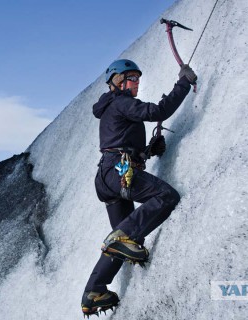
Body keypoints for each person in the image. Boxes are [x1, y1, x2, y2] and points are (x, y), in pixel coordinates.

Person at [81, 59, 197, 316]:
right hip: (117, 171)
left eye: (137, 78)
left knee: (126, 241)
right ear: (118, 82)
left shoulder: (112, 106)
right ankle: (117, 246)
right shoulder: (121, 101)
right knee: (165, 197)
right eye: (132, 78)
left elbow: (120, 142)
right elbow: (157, 112)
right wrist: (184, 83)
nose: (137, 83)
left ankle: (94, 291)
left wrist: (146, 152)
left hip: (109, 175)